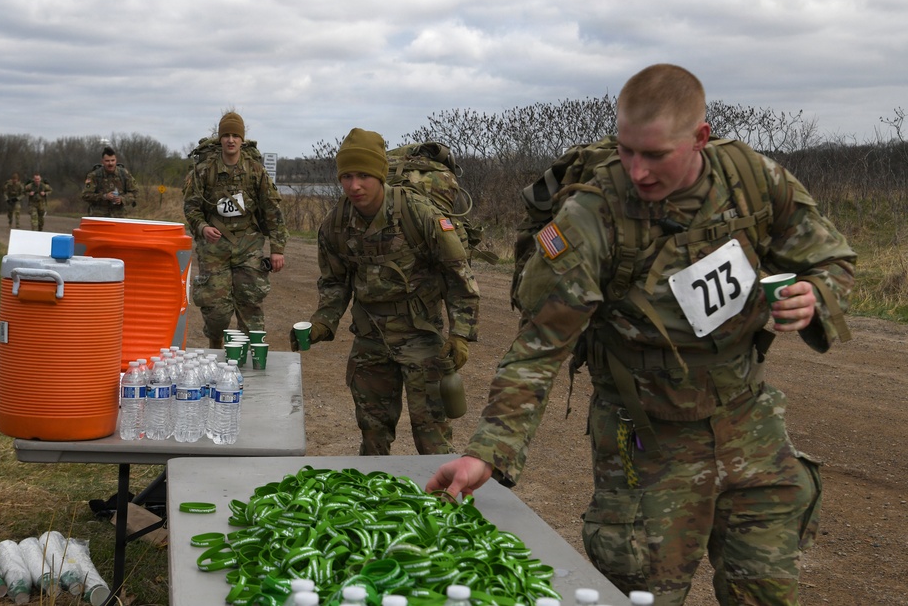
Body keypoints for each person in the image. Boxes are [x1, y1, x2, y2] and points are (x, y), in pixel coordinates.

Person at [426, 64, 856, 605]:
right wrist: (487, 453)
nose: (637, 170)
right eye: (628, 151)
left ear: (700, 137)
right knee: (644, 593)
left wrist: (816, 294)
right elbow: (538, 350)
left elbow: (832, 258)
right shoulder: (591, 218)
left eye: (655, 155)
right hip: (646, 435)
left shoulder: (751, 179)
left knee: (767, 590)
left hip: (748, 420)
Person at [291, 127, 480, 455]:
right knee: (373, 435)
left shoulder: (417, 213)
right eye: (346, 176)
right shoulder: (336, 223)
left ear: (380, 174)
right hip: (370, 338)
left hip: (421, 336)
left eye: (363, 175)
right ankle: (371, 501)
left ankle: (442, 501)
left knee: (432, 438)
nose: (354, 186)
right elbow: (335, 282)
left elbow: (459, 276)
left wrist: (461, 334)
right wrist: (323, 322)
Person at [183, 111, 288, 347]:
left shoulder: (255, 171)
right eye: (226, 135)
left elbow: (272, 209)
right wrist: (202, 227)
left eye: (235, 135)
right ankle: (216, 345)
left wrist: (277, 248)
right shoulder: (204, 171)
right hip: (214, 247)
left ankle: (253, 352)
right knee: (216, 309)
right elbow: (191, 207)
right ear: (220, 139)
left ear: (242, 139)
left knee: (250, 302)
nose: (231, 140)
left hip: (248, 244)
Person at [81, 147, 139, 217]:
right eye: (107, 161)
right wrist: (104, 196)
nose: (110, 163)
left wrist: (122, 199)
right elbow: (85, 195)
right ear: (102, 161)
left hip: (119, 216)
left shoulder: (124, 174)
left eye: (112, 160)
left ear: (116, 160)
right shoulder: (94, 175)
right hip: (99, 216)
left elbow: (135, 192)